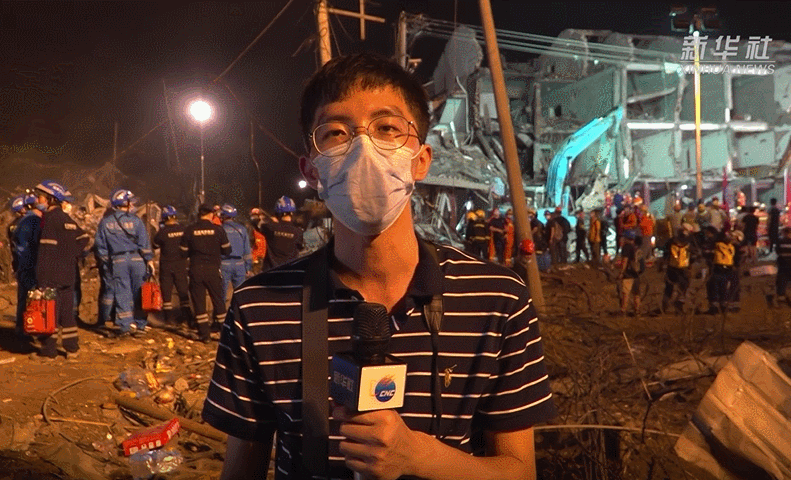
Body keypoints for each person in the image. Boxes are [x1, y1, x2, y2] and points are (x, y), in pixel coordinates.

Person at [202, 52, 557, 480]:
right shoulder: (258, 307)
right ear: (311, 170)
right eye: (336, 132)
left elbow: (519, 471)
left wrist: (420, 456)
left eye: (387, 128)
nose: (363, 149)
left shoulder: (498, 299)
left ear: (421, 160)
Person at [33, 180, 89, 359]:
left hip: (52, 275)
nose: (37, 200)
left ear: (50, 199)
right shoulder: (67, 219)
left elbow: (45, 252)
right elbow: (84, 238)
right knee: (67, 312)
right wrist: (71, 255)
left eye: (40, 197)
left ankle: (49, 351)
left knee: (50, 313)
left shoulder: (50, 220)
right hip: (68, 274)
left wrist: (41, 281)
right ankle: (72, 349)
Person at [95, 189, 155, 337]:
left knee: (122, 293)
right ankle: (140, 325)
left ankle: (125, 326)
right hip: (137, 260)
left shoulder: (105, 222)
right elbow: (144, 243)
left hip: (118, 261)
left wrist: (106, 263)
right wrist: (149, 260)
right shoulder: (136, 221)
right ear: (126, 203)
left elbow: (101, 246)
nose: (133, 205)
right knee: (139, 292)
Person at [181, 203, 231, 342]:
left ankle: (204, 335)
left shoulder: (190, 230)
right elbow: (227, 250)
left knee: (199, 303)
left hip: (196, 269)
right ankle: (225, 333)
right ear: (211, 214)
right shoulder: (218, 230)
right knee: (218, 301)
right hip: (213, 270)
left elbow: (183, 252)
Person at [152, 205, 192, 326]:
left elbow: (155, 245)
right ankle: (187, 317)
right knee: (183, 291)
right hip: (181, 265)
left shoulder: (162, 232)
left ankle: (169, 319)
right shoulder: (183, 229)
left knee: (167, 293)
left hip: (166, 266)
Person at [11, 193, 42, 338]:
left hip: (23, 264)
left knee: (24, 296)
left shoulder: (22, 222)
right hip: (31, 264)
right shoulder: (33, 221)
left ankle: (21, 327)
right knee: (32, 297)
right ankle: (30, 328)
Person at [218, 203, 252, 303]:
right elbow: (247, 250)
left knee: (221, 295)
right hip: (240, 264)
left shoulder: (219, 229)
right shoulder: (242, 229)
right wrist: (248, 267)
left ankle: (221, 312)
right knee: (240, 294)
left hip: (223, 264)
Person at [261, 196, 304, 270]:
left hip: (271, 272)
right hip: (289, 272)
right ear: (292, 213)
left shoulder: (270, 227)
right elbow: (300, 248)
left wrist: (272, 221)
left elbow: (258, 224)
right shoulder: (298, 232)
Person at [660, 225, 695, 314]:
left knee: (669, 288)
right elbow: (693, 255)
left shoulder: (671, 241)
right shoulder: (689, 242)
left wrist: (662, 264)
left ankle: (665, 306)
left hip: (672, 267)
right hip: (684, 268)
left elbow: (665, 253)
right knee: (683, 288)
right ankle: (678, 305)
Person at [617, 230, 643, 316]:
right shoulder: (635, 247)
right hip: (636, 273)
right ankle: (637, 311)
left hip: (628, 274)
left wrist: (621, 272)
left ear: (626, 238)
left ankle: (623, 310)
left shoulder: (626, 247)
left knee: (626, 293)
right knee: (636, 294)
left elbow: (625, 261)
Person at [248, 208, 267, 274]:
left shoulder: (265, 227)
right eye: (253, 216)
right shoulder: (250, 227)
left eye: (256, 215)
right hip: (255, 256)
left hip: (262, 255)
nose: (254, 218)